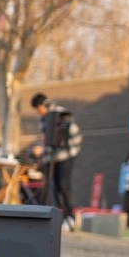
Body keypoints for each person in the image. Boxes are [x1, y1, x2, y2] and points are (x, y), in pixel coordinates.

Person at [31, 94, 82, 225]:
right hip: (50, 158)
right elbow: (44, 138)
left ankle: (71, 215)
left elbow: (75, 133)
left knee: (64, 186)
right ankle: (60, 216)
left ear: (44, 104)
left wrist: (70, 149)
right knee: (52, 187)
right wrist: (40, 148)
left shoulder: (61, 113)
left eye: (39, 108)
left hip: (65, 156)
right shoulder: (42, 120)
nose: (38, 112)